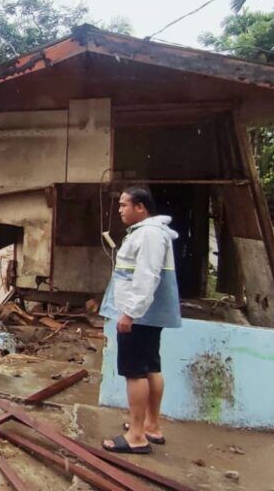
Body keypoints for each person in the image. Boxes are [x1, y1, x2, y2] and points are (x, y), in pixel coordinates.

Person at [99, 186, 182, 455]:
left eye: (124, 205)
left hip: (138, 316)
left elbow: (146, 277)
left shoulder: (148, 235)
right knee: (150, 368)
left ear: (141, 208)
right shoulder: (151, 233)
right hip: (146, 315)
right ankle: (151, 425)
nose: (120, 210)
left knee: (135, 372)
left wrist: (129, 314)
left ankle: (135, 436)